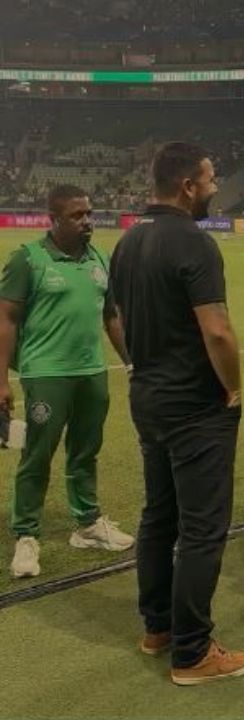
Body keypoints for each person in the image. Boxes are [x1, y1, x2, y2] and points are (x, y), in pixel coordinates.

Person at [110, 142, 244, 683]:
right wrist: (234, 390)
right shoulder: (193, 242)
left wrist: (140, 366)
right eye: (212, 178)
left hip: (147, 397)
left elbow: (116, 321)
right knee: (201, 528)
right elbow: (216, 329)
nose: (216, 187)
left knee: (159, 516)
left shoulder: (127, 241)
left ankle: (159, 627)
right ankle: (194, 652)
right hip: (195, 405)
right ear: (189, 185)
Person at [1, 185, 134, 579]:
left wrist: (131, 362)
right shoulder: (29, 259)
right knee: (37, 455)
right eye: (77, 216)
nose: (87, 221)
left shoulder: (98, 257)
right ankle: (26, 535)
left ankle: (88, 524)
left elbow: (112, 315)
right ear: (54, 220)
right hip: (46, 373)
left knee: (85, 450)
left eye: (89, 213)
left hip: (91, 372)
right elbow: (5, 319)